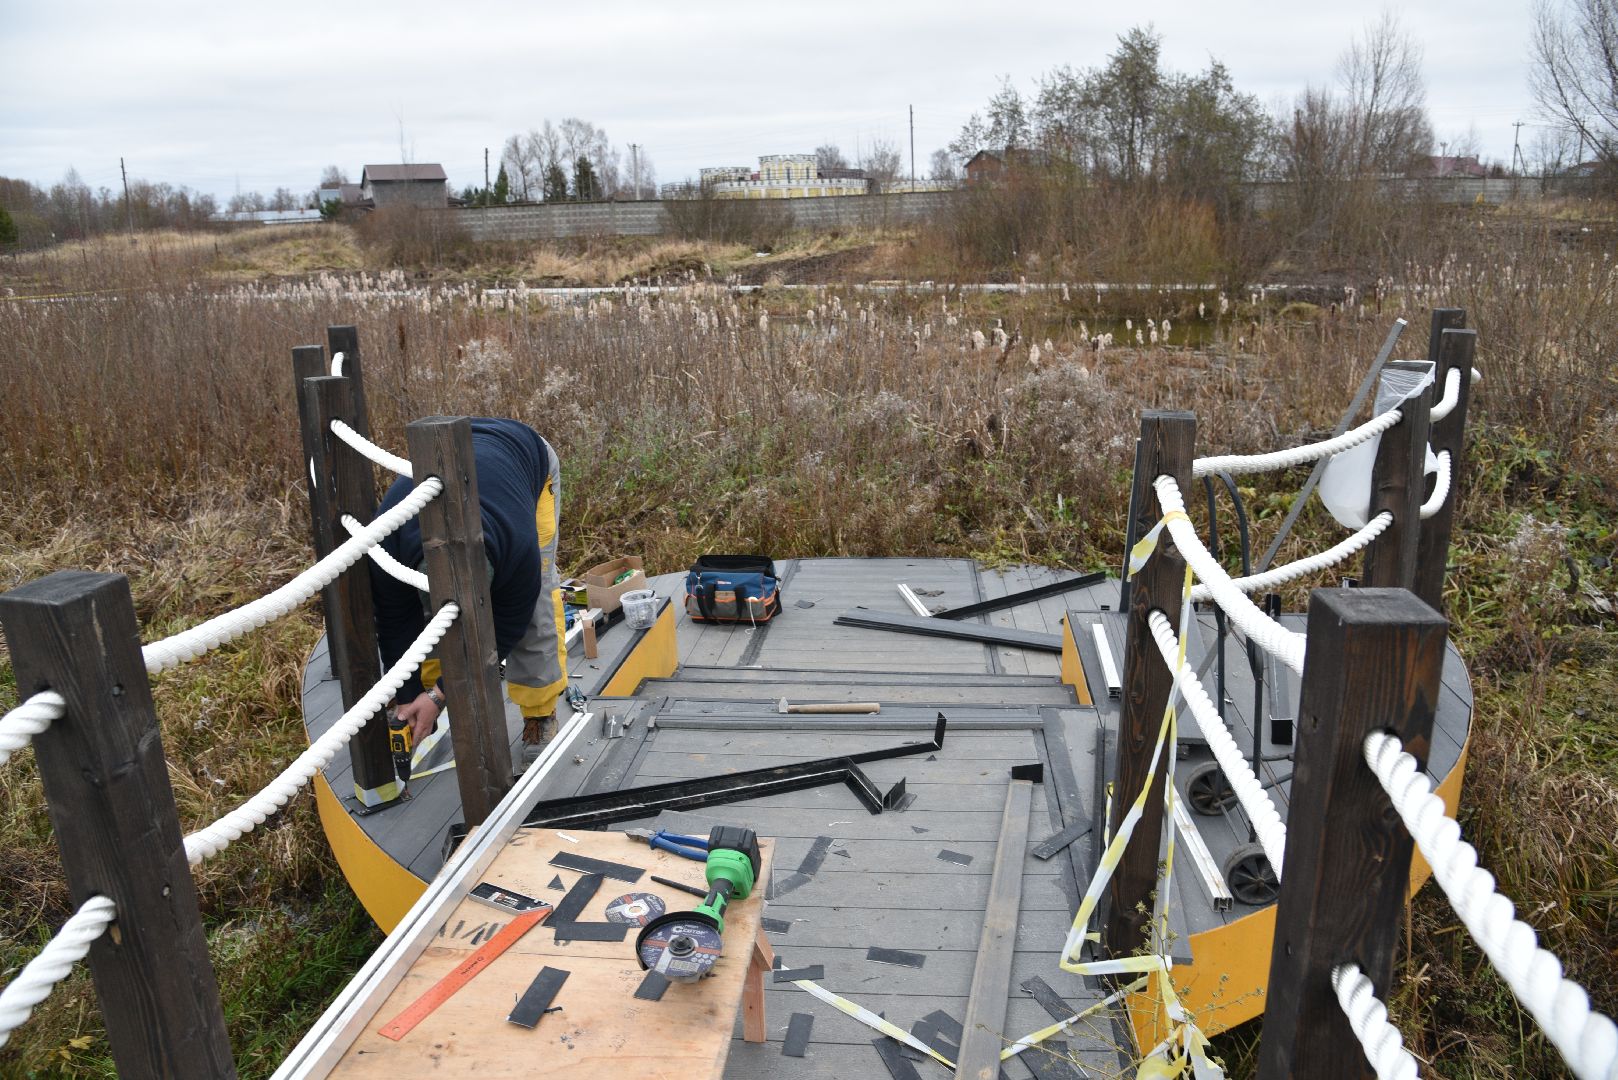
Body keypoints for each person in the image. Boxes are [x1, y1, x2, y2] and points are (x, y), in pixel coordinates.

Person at [370, 418, 567, 753]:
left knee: (538, 608)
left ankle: (540, 713)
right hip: (461, 461)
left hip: (526, 458)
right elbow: (393, 624)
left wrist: (440, 692)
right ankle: (430, 708)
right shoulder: (387, 542)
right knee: (432, 618)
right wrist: (411, 696)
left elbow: (509, 627)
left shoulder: (518, 548)